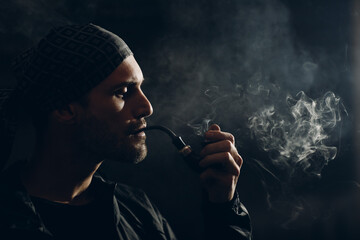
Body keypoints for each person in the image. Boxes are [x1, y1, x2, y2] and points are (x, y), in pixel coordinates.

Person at [0, 23, 252, 239]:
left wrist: (223, 208)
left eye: (141, 88)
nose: (147, 107)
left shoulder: (138, 213)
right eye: (123, 92)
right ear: (65, 108)